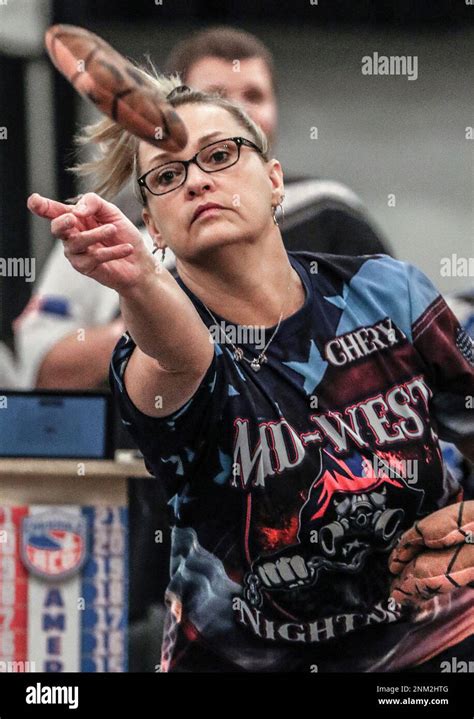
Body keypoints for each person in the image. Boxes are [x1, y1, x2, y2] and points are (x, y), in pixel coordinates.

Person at [27, 71, 474, 672]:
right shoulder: (148, 358)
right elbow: (184, 353)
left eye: (218, 155)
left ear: (274, 181)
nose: (197, 181)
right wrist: (134, 278)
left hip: (433, 644)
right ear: (152, 226)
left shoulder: (388, 292)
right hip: (239, 659)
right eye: (166, 175)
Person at [14, 25, 389, 392]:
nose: (239, 110)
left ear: (275, 183)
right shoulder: (105, 231)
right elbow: (42, 369)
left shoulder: (326, 209)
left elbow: (395, 341)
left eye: (254, 96)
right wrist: (154, 317)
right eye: (217, 96)